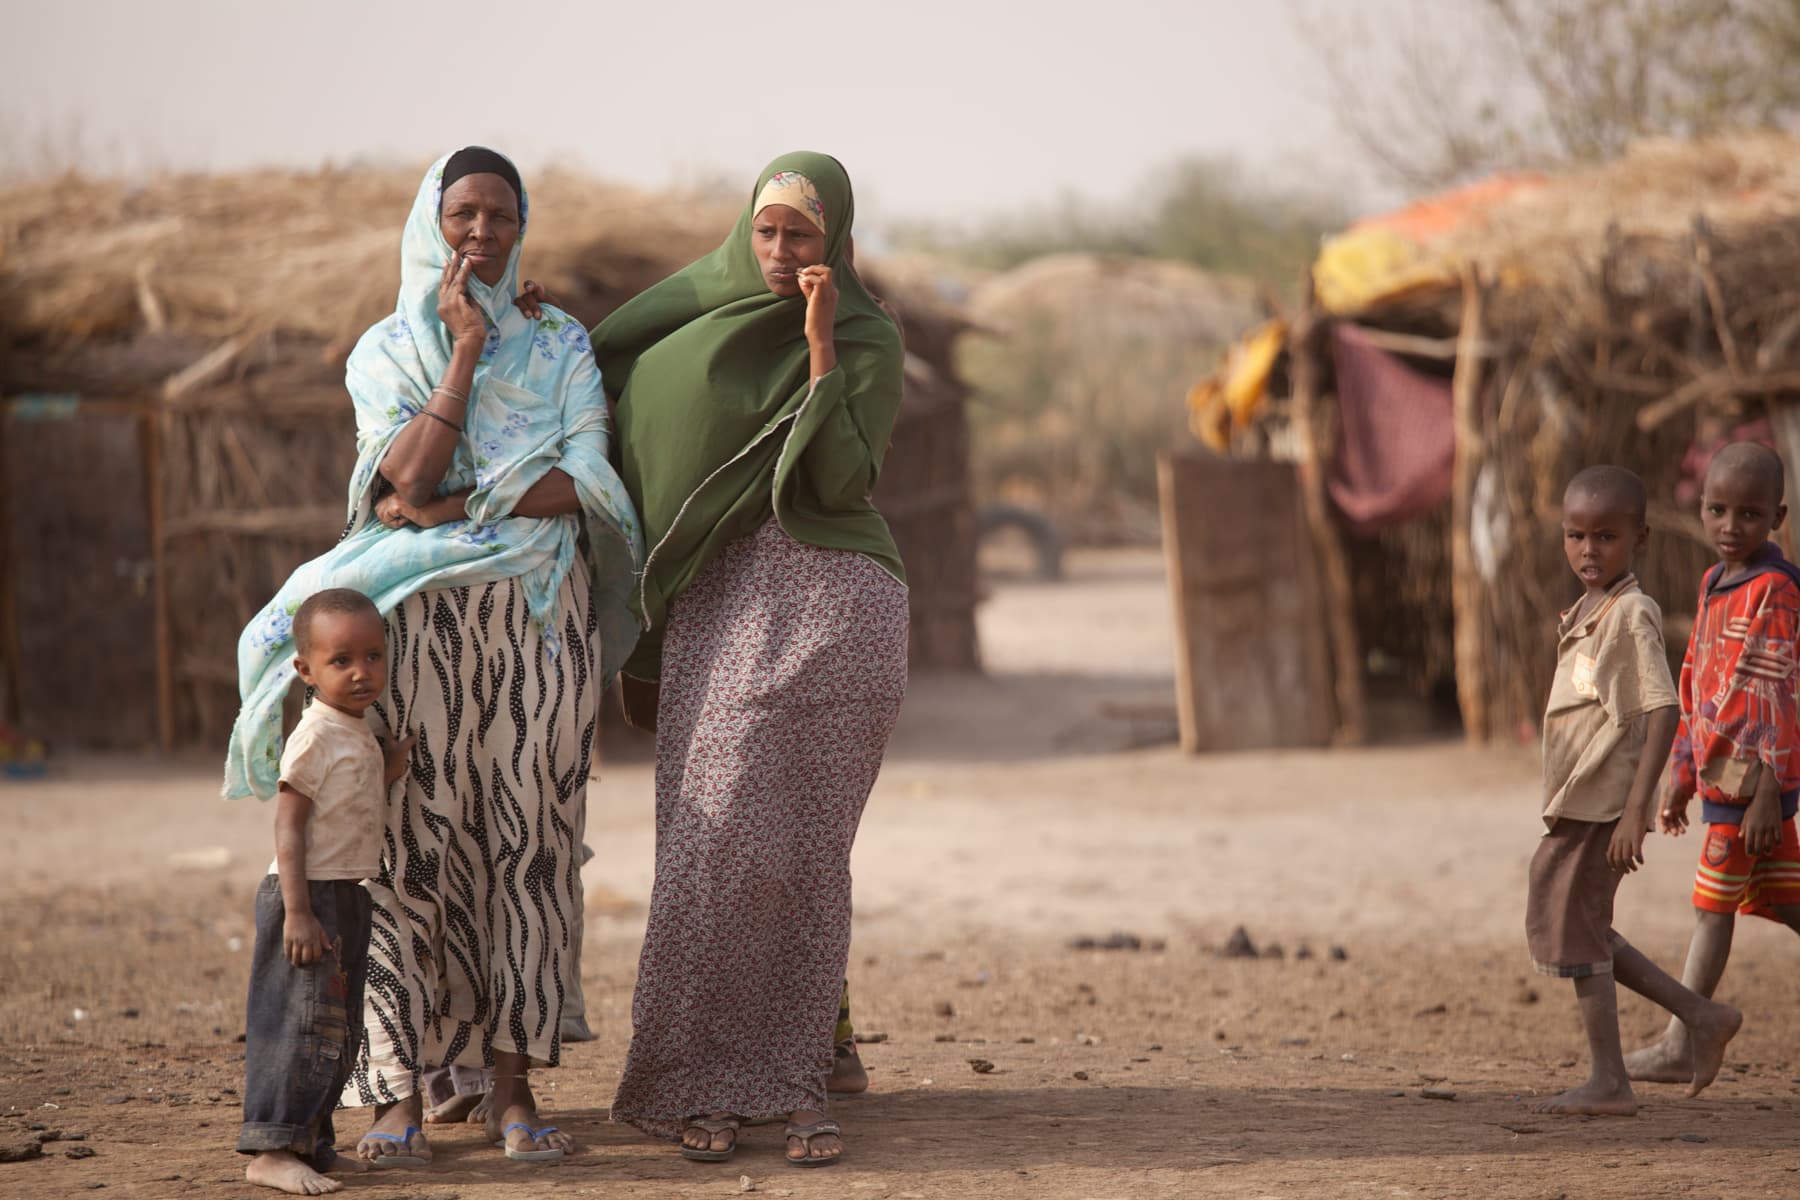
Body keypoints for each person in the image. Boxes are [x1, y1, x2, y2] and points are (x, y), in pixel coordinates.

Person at [224, 146, 643, 1167]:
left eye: (501, 216)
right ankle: (398, 1094)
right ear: (433, 220)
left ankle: (511, 1089)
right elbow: (398, 480)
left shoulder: (558, 341)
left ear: (522, 225)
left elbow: (586, 480)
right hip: (416, 635)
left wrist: (458, 503)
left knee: (532, 853)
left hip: (538, 624)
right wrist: (461, 353)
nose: (482, 235)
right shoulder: (385, 351)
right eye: (463, 213)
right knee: (408, 854)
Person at [592, 152, 909, 1168]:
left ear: (836, 244)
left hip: (839, 602)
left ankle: (793, 1083)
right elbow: (594, 385)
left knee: (805, 857)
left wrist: (820, 351)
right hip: (721, 605)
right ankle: (693, 1081)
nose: (780, 253)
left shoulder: (868, 338)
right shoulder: (682, 327)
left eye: (802, 236)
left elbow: (843, 474)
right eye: (768, 232)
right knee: (715, 841)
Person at [1525, 467, 1742, 1116]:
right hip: (1577, 800)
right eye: (1576, 536)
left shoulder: (1631, 613)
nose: (1589, 550)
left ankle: (1610, 1081)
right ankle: (1700, 1015)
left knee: (1574, 925)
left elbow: (1664, 708)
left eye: (1607, 537)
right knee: (1578, 923)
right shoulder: (1588, 611)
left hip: (1602, 807)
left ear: (1639, 539)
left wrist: (1635, 811)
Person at [1626, 442, 1800, 1086]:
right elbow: (1696, 676)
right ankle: (1682, 1036)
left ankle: (1684, 1036)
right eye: (1718, 510)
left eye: (1750, 515)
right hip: (1723, 775)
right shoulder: (1712, 583)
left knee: (1712, 908)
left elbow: (1773, 691)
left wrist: (1766, 789)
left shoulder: (1776, 591)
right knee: (1788, 899)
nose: (1731, 527)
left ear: (1777, 516)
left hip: (1752, 783)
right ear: (1699, 508)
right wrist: (1680, 769)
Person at [238, 589, 413, 1195]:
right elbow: (289, 824)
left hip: (344, 895)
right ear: (305, 670)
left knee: (333, 1030)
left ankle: (312, 1142)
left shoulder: (354, 730)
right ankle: (271, 1148)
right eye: (342, 661)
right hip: (306, 896)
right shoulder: (314, 735)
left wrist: (385, 767)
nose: (362, 672)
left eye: (373, 656)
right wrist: (298, 911)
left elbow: (350, 797)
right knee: (298, 1025)